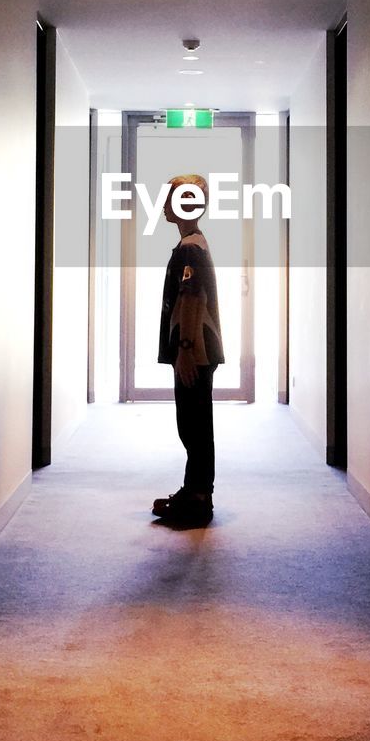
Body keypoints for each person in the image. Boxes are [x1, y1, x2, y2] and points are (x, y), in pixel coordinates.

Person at [152, 174, 223, 525]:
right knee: (194, 423)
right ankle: (195, 490)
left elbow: (193, 298)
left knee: (193, 424)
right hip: (196, 347)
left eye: (169, 198)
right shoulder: (193, 242)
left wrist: (185, 349)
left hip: (194, 349)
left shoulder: (190, 247)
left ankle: (197, 498)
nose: (164, 204)